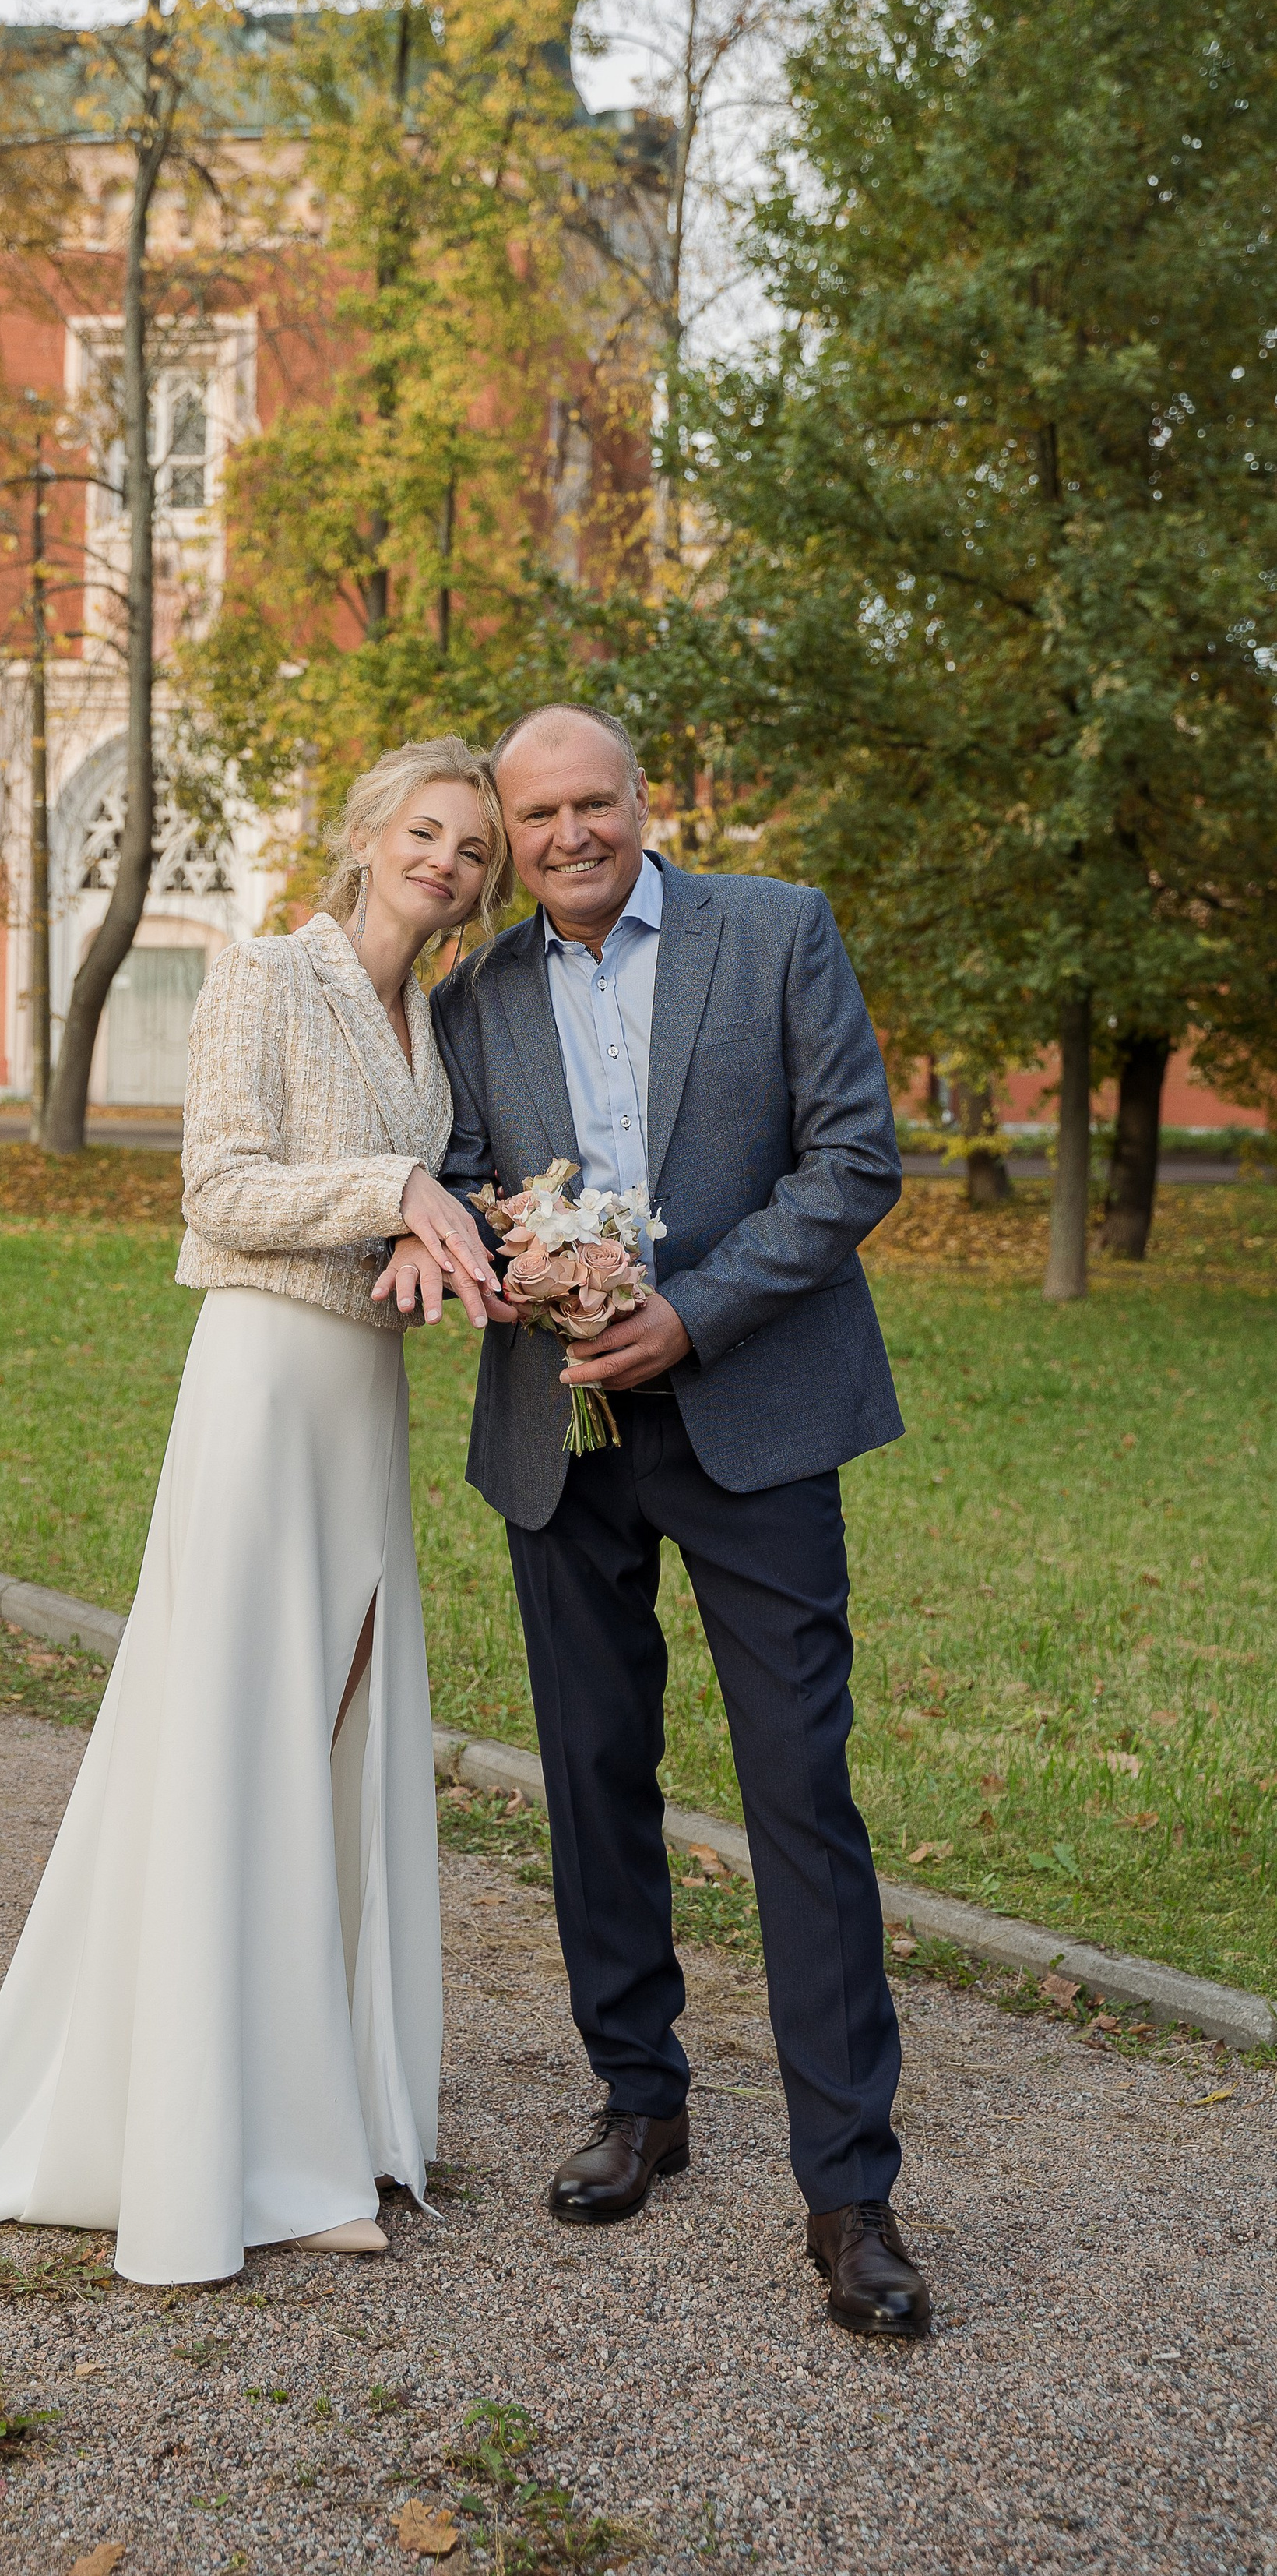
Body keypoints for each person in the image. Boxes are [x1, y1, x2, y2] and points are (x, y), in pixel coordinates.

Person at [0, 736, 512, 2285]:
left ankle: (320, 2108)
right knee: (244, 1742)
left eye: (473, 851)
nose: (448, 866)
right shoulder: (269, 974)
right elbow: (217, 1187)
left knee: (336, 1736)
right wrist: (390, 1198)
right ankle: (238, 2148)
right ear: (366, 832)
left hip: (357, 1402)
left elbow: (394, 1194)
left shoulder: (432, 1019)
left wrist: (423, 1245)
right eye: (428, 833)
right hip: (260, 1389)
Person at [414, 702, 932, 2340]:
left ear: (646, 803)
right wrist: (522, 1276)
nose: (567, 834)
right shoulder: (471, 994)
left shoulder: (772, 932)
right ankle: (637, 2097)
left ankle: (848, 2193)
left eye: (592, 803)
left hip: (752, 1418)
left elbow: (852, 1162)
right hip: (555, 1440)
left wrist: (688, 1316)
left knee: (796, 1789)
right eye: (536, 816)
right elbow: (470, 1176)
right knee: (588, 1773)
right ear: (508, 835)